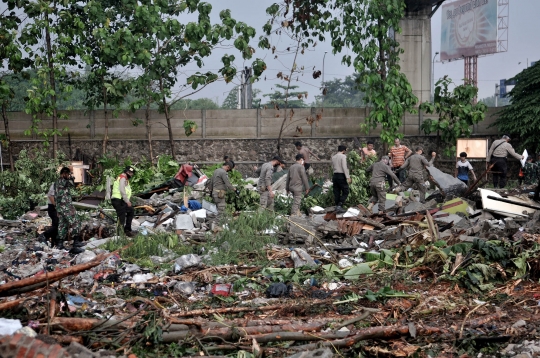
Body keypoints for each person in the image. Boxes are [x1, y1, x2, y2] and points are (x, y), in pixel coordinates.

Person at [55, 167, 84, 252]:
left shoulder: (58, 182)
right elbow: (71, 184)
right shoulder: (62, 181)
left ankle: (60, 244)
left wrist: (71, 178)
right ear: (64, 173)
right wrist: (71, 178)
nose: (68, 175)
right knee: (76, 222)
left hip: (61, 207)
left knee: (62, 225)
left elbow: (71, 185)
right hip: (66, 207)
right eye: (67, 174)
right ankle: (76, 242)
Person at [111, 166, 136, 237]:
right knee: (121, 217)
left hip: (121, 200)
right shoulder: (122, 178)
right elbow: (122, 190)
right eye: (131, 174)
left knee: (131, 211)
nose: (131, 175)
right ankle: (120, 234)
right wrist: (127, 201)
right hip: (118, 200)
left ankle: (127, 229)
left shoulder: (124, 178)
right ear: (128, 172)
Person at [331, 145, 351, 213]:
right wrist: (347, 177)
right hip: (341, 176)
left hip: (335, 175)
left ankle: (337, 206)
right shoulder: (343, 156)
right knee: (346, 191)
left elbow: (332, 167)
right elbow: (344, 167)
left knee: (337, 192)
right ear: (344, 150)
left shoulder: (333, 157)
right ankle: (339, 205)